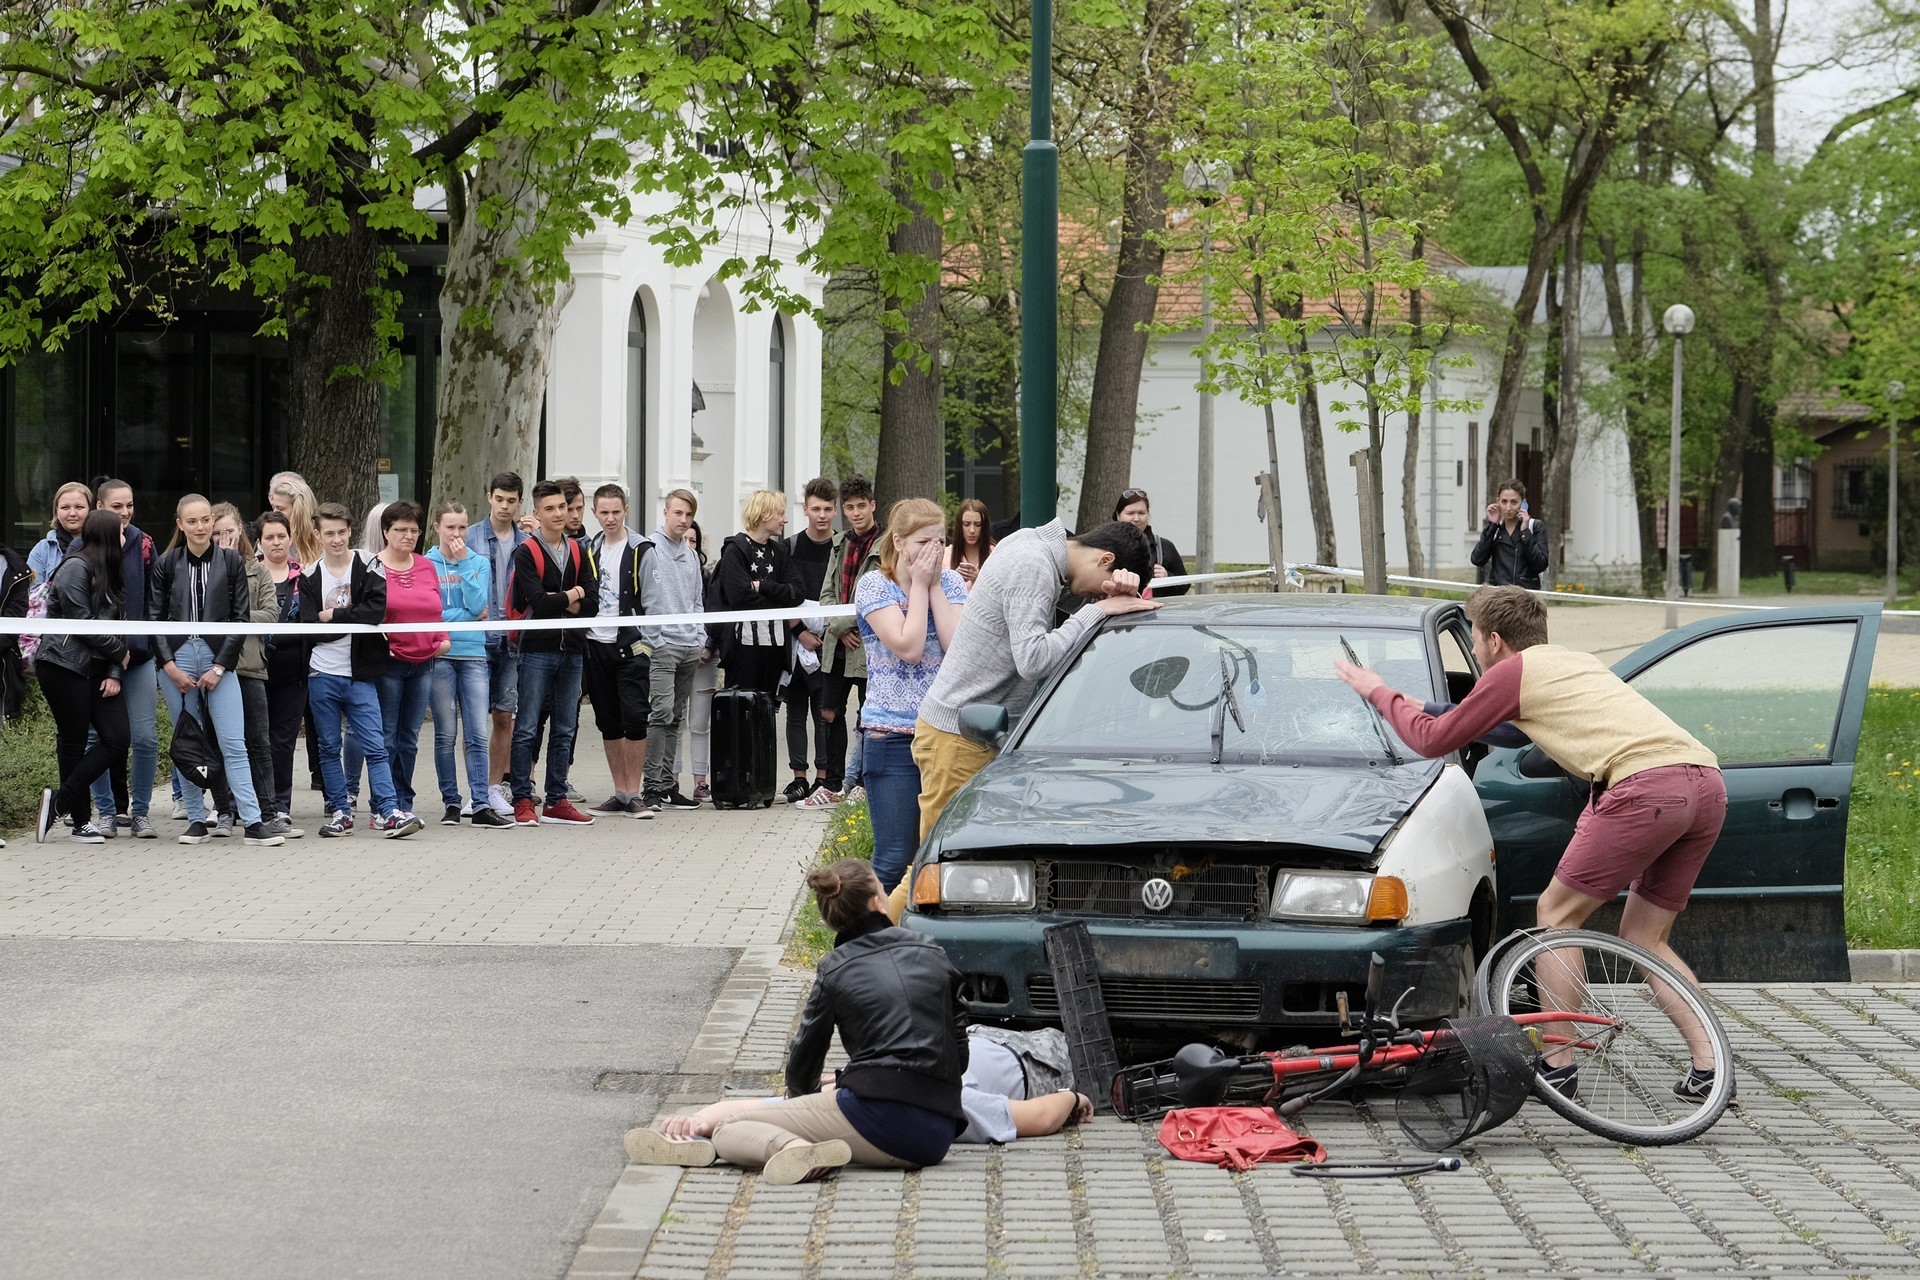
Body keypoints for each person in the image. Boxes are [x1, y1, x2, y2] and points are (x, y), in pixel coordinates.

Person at [1333, 585, 1728, 1098]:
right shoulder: (1569, 662)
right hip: (1705, 782)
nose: (1475, 651)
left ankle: (1558, 1063)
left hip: (1643, 788)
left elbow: (1432, 740)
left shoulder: (1511, 672)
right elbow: (1518, 733)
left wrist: (1379, 693)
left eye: (1475, 640)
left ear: (1495, 640)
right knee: (1646, 938)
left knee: (1556, 915)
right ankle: (1713, 1068)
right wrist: (1424, 704)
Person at [624, 858, 968, 1183]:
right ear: (878, 903)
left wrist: (805, 1103)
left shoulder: (835, 968)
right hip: (939, 1130)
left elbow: (804, 1061)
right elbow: (960, 1055)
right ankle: (711, 1146)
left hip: (882, 1120)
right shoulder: (932, 950)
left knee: (730, 1125)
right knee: (759, 1119)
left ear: (831, 920)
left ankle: (795, 1149)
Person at [914, 519, 1156, 840]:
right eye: (1102, 587)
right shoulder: (1033, 565)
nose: (1098, 594)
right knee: (947, 857)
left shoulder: (1031, 545)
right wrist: (1097, 611)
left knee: (971, 857)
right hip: (961, 735)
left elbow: (1054, 599)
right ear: (1105, 559)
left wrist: (1110, 597)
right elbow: (1033, 660)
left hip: (970, 730)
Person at [642, 1027, 1090, 1155]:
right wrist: (1073, 1098)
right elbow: (1039, 1117)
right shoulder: (947, 1097)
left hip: (1031, 1052)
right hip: (1037, 1060)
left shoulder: (948, 1093)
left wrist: (700, 1118)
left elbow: (1038, 1118)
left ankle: (774, 1145)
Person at [150, 494, 283, 846]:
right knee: (188, 742)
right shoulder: (166, 563)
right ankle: (196, 820)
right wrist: (169, 666)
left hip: (218, 659)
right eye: (192, 521)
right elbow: (153, 619)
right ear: (180, 524)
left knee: (233, 742)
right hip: (177, 660)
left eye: (205, 520)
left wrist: (221, 665)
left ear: (213, 521)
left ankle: (252, 822)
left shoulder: (231, 561)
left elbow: (240, 619)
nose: (200, 527)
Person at [855, 498, 967, 893]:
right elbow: (909, 646)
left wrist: (933, 585)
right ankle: (869, 929)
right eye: (923, 542)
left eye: (940, 541)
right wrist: (918, 586)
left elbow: (957, 647)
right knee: (894, 857)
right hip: (893, 737)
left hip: (943, 734)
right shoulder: (875, 585)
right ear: (899, 542)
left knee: (939, 855)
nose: (933, 551)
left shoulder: (951, 583)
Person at [301, 503, 422, 840]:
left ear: (350, 531)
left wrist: (334, 617)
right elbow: (309, 627)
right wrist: (348, 620)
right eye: (329, 533)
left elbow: (375, 612)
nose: (336, 539)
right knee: (328, 747)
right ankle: (341, 811)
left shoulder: (369, 564)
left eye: (342, 532)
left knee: (376, 745)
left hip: (360, 674)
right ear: (318, 535)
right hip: (321, 673)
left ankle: (389, 810)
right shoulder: (309, 575)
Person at [34, 510, 130, 844]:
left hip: (99, 669)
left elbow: (120, 626)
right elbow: (81, 621)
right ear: (107, 535)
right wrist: (119, 654)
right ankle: (80, 822)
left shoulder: (111, 570)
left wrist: (115, 669)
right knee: (73, 739)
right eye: (120, 531)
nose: (125, 536)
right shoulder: (75, 566)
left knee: (117, 738)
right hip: (64, 664)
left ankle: (60, 802)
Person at [507, 479, 597, 827]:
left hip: (573, 648)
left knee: (566, 727)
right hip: (537, 649)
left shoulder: (579, 549)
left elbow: (593, 604)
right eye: (551, 508)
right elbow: (539, 604)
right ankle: (522, 798)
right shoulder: (526, 551)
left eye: (563, 506)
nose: (559, 513)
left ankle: (557, 800)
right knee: (527, 727)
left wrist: (567, 598)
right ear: (537, 513)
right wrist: (574, 594)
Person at [210, 503, 293, 839]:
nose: (223, 538)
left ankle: (268, 811)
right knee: (218, 742)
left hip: (249, 664)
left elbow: (271, 614)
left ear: (241, 531)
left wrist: (235, 616)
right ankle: (223, 810)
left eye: (229, 531)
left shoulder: (256, 570)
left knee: (258, 741)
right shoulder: (200, 569)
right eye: (217, 533)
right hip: (212, 666)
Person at [85, 479, 158, 839]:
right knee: (97, 739)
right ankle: (105, 813)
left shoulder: (144, 544)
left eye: (129, 505)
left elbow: (155, 599)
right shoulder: (83, 547)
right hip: (98, 659)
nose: (125, 513)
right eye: (117, 506)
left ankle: (140, 812)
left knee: (145, 738)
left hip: (140, 656)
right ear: (99, 506)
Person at [427, 501, 505, 827]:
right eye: (450, 527)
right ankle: (451, 802)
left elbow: (480, 605)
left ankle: (481, 802)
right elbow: (431, 613)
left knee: (477, 733)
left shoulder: (478, 561)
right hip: (442, 654)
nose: (456, 534)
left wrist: (462, 564)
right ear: (437, 528)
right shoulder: (426, 564)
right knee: (445, 734)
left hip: (473, 654)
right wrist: (468, 615)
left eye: (462, 527)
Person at [372, 501, 447, 828]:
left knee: (410, 739)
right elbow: (368, 614)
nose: (408, 536)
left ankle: (404, 803)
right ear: (386, 532)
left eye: (414, 530)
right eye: (401, 530)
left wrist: (442, 638)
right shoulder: (373, 567)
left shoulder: (427, 566)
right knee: (386, 737)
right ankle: (382, 806)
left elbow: (436, 608)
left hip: (424, 661)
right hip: (389, 663)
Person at [582, 484, 654, 818]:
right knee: (608, 721)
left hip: (631, 645)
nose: (610, 518)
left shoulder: (642, 549)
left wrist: (647, 646)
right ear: (594, 513)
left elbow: (654, 602)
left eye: (616, 511)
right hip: (596, 644)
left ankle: (634, 793)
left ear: (626, 509)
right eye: (604, 512)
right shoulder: (589, 548)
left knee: (635, 717)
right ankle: (620, 792)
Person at [813, 475, 882, 808]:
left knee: (869, 717)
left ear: (872, 505)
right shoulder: (839, 543)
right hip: (837, 645)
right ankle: (832, 783)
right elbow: (826, 593)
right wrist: (838, 626)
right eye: (850, 507)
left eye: (861, 506)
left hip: (869, 645)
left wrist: (846, 622)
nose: (856, 513)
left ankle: (865, 784)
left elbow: (881, 594)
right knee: (829, 713)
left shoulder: (885, 545)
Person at [638, 492, 708, 815]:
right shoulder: (649, 549)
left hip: (689, 645)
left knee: (676, 717)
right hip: (662, 645)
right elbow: (646, 597)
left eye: (688, 515)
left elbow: (696, 601)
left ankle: (668, 784)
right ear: (665, 512)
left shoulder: (691, 556)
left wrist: (699, 637)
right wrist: (654, 639)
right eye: (678, 513)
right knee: (661, 713)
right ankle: (652, 785)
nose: (683, 520)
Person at [469, 471, 531, 817]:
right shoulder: (471, 536)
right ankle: (475, 789)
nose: (505, 506)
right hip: (478, 638)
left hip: (513, 640)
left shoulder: (527, 541)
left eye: (511, 501)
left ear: (520, 502)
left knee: (505, 716)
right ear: (489, 497)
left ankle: (493, 787)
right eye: (499, 499)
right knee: (475, 719)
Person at [782, 477, 838, 804]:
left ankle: (823, 776)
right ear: (805, 509)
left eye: (827, 509)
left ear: (835, 511)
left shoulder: (841, 547)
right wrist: (800, 632)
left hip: (831, 637)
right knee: (795, 711)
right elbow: (782, 596)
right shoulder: (789, 547)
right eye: (816, 509)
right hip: (795, 638)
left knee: (824, 711)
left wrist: (831, 631)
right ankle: (798, 777)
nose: (822, 515)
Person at [714, 489, 798, 696]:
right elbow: (739, 597)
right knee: (742, 708)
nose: (785, 520)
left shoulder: (780, 551)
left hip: (776, 646)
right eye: (780, 513)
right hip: (743, 648)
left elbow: (797, 591)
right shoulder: (735, 550)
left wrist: (763, 587)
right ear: (764, 514)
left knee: (767, 710)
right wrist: (780, 602)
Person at [257, 511, 309, 831]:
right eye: (269, 537)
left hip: (293, 672)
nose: (276, 542)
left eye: (281, 536)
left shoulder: (305, 577)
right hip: (255, 669)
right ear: (259, 542)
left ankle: (280, 804)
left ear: (290, 538)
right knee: (253, 739)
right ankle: (244, 803)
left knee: (283, 741)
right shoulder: (249, 574)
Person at [1471, 479, 1550, 590]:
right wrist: (1492, 525)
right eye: (1504, 502)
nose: (1508, 508)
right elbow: (1477, 559)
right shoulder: (1495, 529)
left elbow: (1540, 565)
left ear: (1523, 502)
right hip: (1499, 594)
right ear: (1497, 501)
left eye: (1514, 502)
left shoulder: (1534, 526)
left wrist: (1525, 532)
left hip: (1526, 595)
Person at [1113, 487, 1189, 598]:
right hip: (1116, 608)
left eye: (1141, 513)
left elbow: (1185, 585)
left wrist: (1167, 577)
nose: (1136, 518)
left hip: (1156, 608)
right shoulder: (1104, 546)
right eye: (1130, 513)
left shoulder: (1164, 546)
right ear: (1118, 515)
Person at [28, 481, 92, 584]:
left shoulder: (103, 545)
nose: (72, 513)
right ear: (56, 511)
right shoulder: (42, 550)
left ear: (91, 510)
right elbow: (33, 592)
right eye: (65, 507)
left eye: (79, 507)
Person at [266, 472, 325, 568]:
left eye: (280, 509)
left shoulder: (324, 536)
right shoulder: (268, 534)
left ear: (299, 511)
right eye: (273, 507)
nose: (274, 513)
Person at [948, 498, 996, 587]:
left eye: (978, 524)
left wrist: (978, 579)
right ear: (960, 525)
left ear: (984, 526)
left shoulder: (994, 554)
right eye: (966, 524)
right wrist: (953, 578)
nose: (972, 530)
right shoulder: (946, 555)